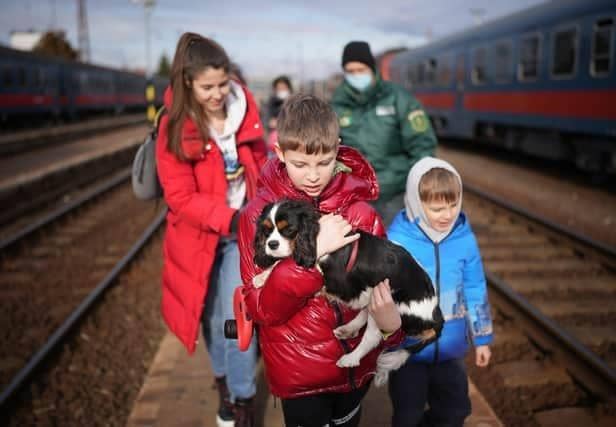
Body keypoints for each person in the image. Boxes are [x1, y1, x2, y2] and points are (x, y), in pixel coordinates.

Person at [238, 94, 404, 427]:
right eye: (300, 164)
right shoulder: (259, 217)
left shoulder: (360, 214)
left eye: (324, 162)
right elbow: (259, 308)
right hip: (300, 377)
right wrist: (311, 258)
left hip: (355, 373)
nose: (313, 175)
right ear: (280, 153)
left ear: (337, 149)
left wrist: (392, 329)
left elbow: (386, 289)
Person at [155, 32, 267, 427]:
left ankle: (242, 404)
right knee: (210, 323)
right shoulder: (174, 126)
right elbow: (180, 197)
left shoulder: (244, 109)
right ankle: (223, 385)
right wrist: (229, 217)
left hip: (241, 237)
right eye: (208, 87)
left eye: (223, 84)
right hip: (198, 240)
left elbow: (261, 163)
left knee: (236, 321)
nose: (218, 93)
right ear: (187, 82)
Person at [386, 157, 494, 427]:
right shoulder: (397, 240)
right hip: (407, 353)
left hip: (450, 352)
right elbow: (381, 293)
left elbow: (475, 287)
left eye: (453, 205)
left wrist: (482, 338)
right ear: (415, 203)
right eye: (437, 208)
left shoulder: (465, 240)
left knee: (455, 412)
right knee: (407, 416)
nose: (447, 214)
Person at [331, 41, 438, 225]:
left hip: (395, 194)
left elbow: (422, 144)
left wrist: (416, 184)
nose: (356, 75)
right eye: (351, 71)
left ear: (371, 68)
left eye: (361, 69)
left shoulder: (398, 98)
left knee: (395, 247)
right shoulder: (337, 104)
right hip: (355, 195)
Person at [265, 75, 293, 153]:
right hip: (274, 142)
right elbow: (266, 120)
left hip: (291, 141)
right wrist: (269, 122)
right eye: (279, 89)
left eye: (283, 88)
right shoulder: (271, 102)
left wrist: (280, 122)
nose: (281, 91)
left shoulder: (295, 103)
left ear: (289, 88)